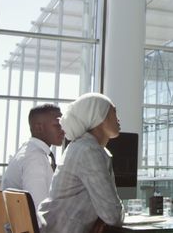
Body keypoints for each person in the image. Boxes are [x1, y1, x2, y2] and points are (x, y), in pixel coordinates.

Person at [38, 93, 124, 233]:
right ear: (99, 116)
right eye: (114, 112)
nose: (118, 118)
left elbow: (109, 214)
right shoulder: (89, 151)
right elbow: (113, 216)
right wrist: (107, 214)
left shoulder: (82, 146)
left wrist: (103, 216)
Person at [2, 104, 64, 209]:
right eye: (58, 125)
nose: (63, 130)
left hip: (19, 223)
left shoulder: (27, 151)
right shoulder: (35, 159)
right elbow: (39, 209)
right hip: (31, 224)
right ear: (39, 127)